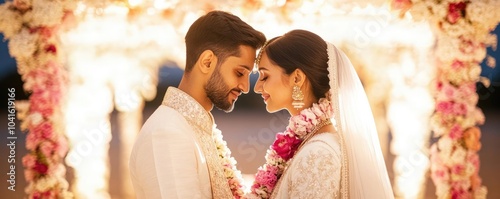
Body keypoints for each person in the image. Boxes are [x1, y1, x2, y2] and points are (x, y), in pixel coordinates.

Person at [129, 10, 266, 199]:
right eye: (239, 73)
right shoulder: (166, 132)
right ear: (207, 62)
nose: (245, 87)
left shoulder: (194, 128)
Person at [247, 30, 394, 198]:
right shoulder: (313, 142)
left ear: (297, 79)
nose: (257, 87)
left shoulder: (318, 152)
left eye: (265, 77)